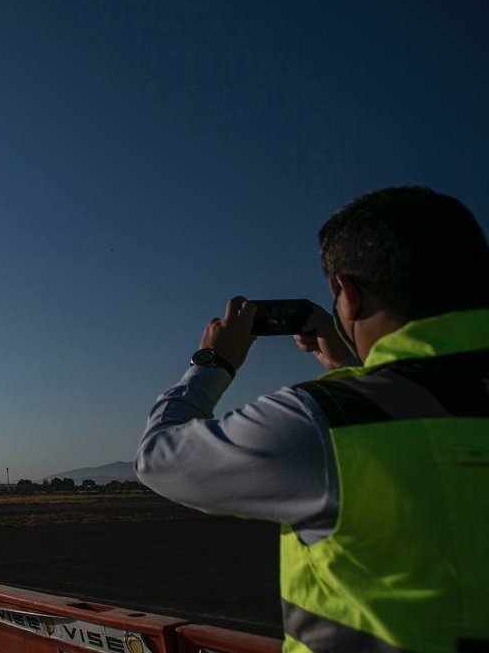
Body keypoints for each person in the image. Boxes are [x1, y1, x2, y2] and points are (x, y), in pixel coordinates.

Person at [135, 186, 488, 653]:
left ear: (348, 294)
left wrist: (212, 363)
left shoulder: (325, 420)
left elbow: (159, 457)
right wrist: (350, 367)